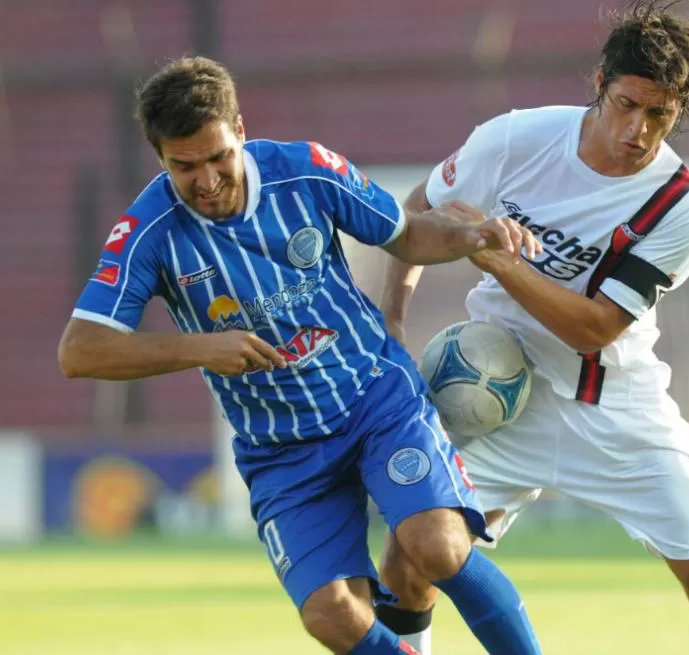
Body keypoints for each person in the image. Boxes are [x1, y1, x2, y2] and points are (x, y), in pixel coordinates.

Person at [57, 56, 546, 655]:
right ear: (159, 157)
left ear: (239, 128)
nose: (206, 181)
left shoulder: (307, 171)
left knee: (437, 547)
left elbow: (405, 233)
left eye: (217, 158)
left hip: (372, 396)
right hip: (280, 448)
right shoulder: (148, 232)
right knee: (330, 616)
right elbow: (81, 350)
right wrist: (201, 348)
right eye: (184, 167)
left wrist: (470, 236)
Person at [376, 2, 689, 654]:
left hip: (615, 407)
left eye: (659, 115)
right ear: (600, 81)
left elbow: (594, 328)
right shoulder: (516, 139)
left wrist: (492, 255)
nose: (638, 129)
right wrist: (392, 326)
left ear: (679, 111)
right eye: (627, 104)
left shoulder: (682, 206)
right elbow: (417, 217)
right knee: (410, 558)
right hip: (497, 393)